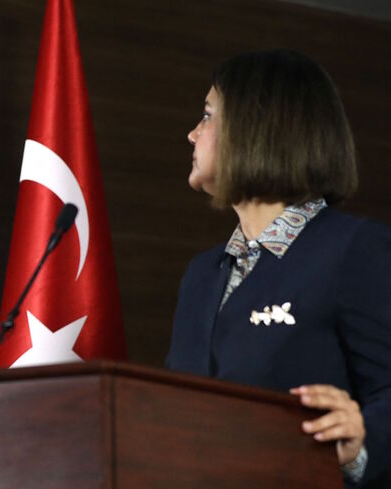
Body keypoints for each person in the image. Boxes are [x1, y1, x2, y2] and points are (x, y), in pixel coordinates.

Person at [166, 50, 391, 487]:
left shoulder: (355, 249)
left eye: (208, 116)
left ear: (258, 128)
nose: (192, 134)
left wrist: (361, 443)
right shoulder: (200, 274)